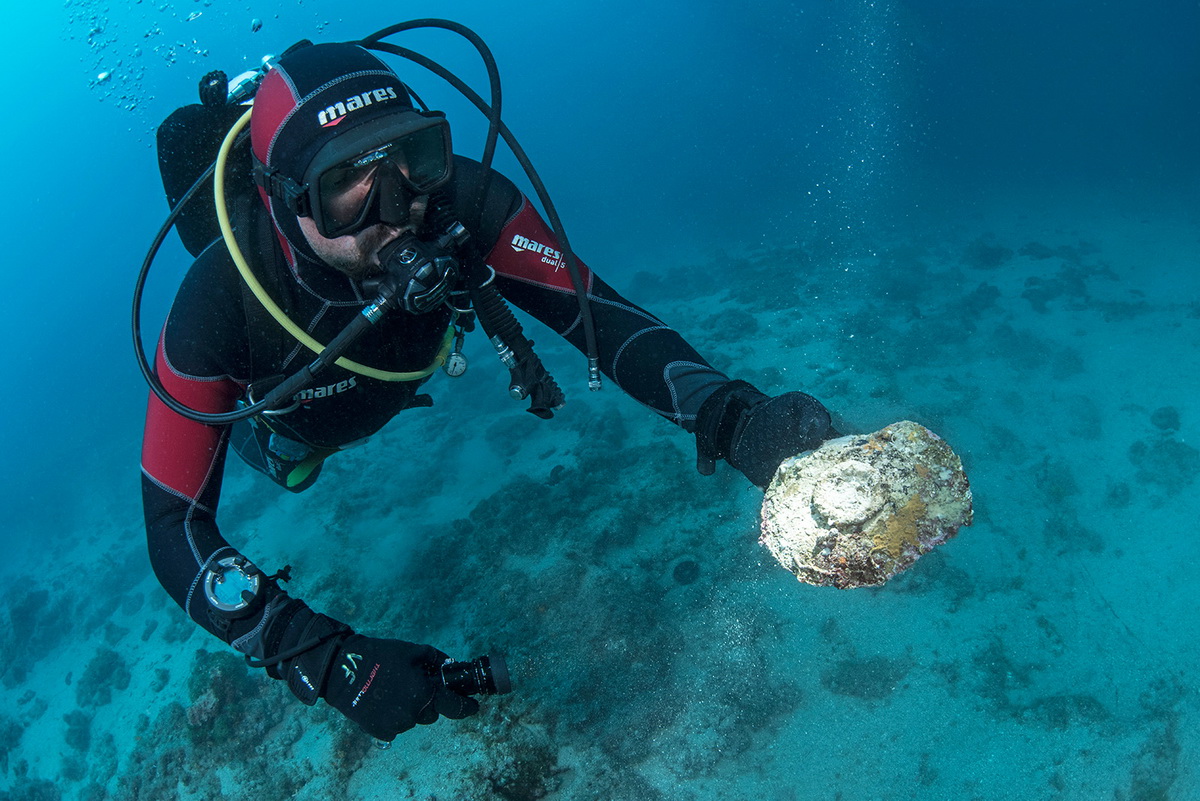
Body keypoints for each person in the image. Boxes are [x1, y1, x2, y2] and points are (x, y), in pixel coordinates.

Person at [141, 41, 836, 743]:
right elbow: (175, 528)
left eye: (413, 153)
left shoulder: (460, 204)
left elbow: (596, 312)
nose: (400, 202)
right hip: (298, 420)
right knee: (292, 465)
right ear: (282, 195)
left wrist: (729, 413)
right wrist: (322, 657)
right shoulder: (217, 303)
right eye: (346, 179)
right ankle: (293, 451)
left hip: (409, 366)